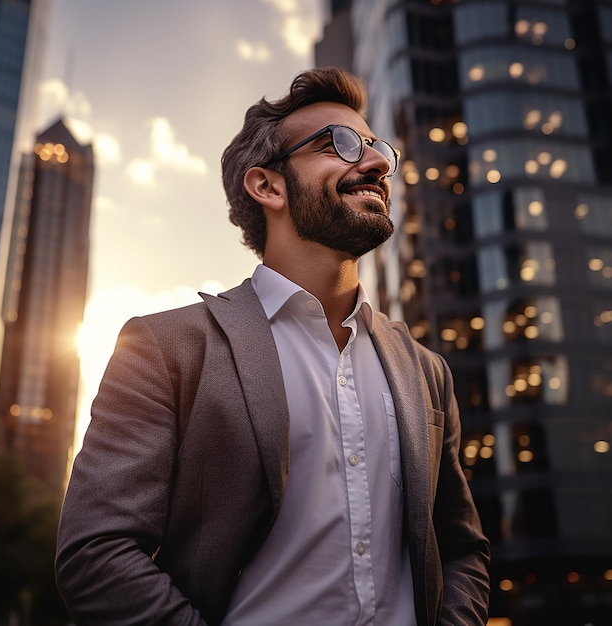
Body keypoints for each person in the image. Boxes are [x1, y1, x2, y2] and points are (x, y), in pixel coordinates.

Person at [55, 66, 490, 626]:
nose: (379, 163)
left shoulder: (427, 371)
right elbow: (97, 554)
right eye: (342, 144)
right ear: (268, 186)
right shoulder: (167, 347)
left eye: (378, 147)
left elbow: (462, 550)